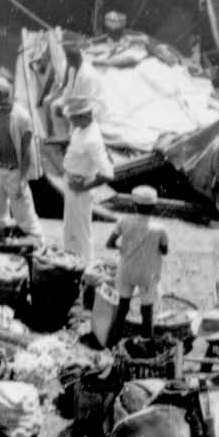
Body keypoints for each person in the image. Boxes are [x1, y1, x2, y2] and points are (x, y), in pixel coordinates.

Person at [107, 186, 169, 338]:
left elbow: (109, 243)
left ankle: (115, 335)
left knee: (123, 304)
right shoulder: (160, 228)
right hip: (148, 273)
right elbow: (164, 251)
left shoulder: (124, 221)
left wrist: (123, 248)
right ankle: (147, 340)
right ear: (154, 207)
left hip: (127, 270)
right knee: (147, 308)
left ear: (134, 205)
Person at [0, 77, 40, 237]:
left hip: (14, 171)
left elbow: (26, 150)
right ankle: (2, 240)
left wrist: (23, 178)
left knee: (24, 213)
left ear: (2, 94)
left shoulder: (22, 117)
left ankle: (37, 242)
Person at [59, 94, 112, 264]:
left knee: (81, 231)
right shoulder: (81, 130)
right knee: (70, 228)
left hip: (80, 186)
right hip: (71, 180)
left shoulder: (92, 139)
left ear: (85, 116)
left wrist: (85, 187)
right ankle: (70, 261)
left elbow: (107, 174)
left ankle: (87, 264)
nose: (71, 121)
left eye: (74, 118)